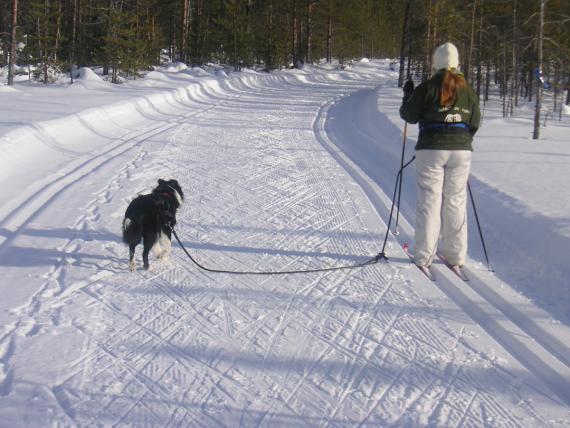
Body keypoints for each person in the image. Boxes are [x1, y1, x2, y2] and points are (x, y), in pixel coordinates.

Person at [399, 42, 481, 269]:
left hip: (431, 149)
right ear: (456, 63)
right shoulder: (467, 89)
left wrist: (407, 95)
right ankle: (455, 255)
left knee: (429, 201)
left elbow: (409, 115)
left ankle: (424, 254)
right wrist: (463, 140)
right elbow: (475, 121)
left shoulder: (427, 87)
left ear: (436, 63)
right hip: (461, 151)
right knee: (455, 201)